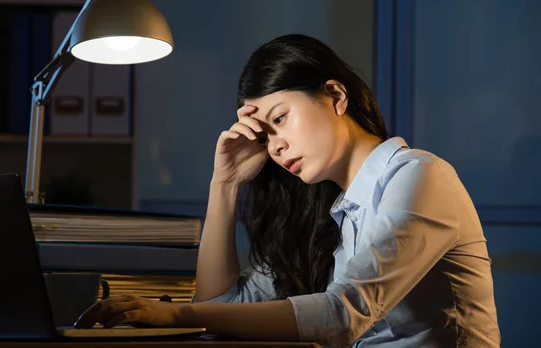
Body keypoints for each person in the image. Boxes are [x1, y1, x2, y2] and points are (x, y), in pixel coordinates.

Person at [74, 34, 501, 347]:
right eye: (263, 133)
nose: (274, 145)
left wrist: (178, 313)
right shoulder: (326, 208)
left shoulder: (418, 176)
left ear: (335, 95)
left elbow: (344, 313)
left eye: (280, 118)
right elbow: (224, 306)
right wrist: (223, 185)